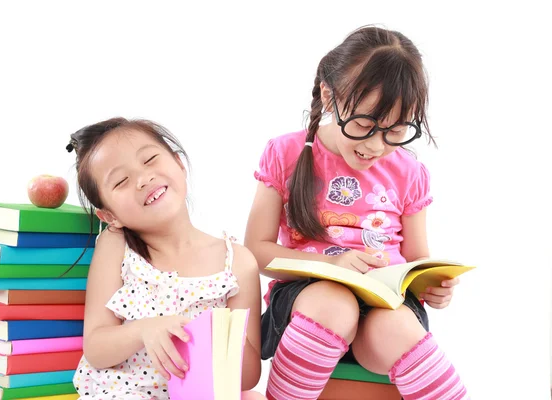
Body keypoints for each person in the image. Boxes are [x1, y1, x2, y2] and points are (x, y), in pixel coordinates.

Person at [245, 26, 469, 400]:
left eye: (395, 131)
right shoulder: (285, 153)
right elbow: (256, 250)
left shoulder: (409, 173)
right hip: (310, 303)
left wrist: (433, 285)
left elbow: (416, 260)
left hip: (384, 303)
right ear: (329, 96)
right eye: (364, 125)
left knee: (397, 328)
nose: (376, 146)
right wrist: (335, 266)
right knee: (333, 304)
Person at [66, 117, 266, 400]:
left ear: (179, 164)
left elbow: (248, 376)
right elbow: (96, 348)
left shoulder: (237, 262)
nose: (143, 179)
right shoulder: (117, 245)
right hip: (129, 393)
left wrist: (222, 341)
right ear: (110, 216)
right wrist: (144, 329)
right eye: (121, 181)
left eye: (149, 160)